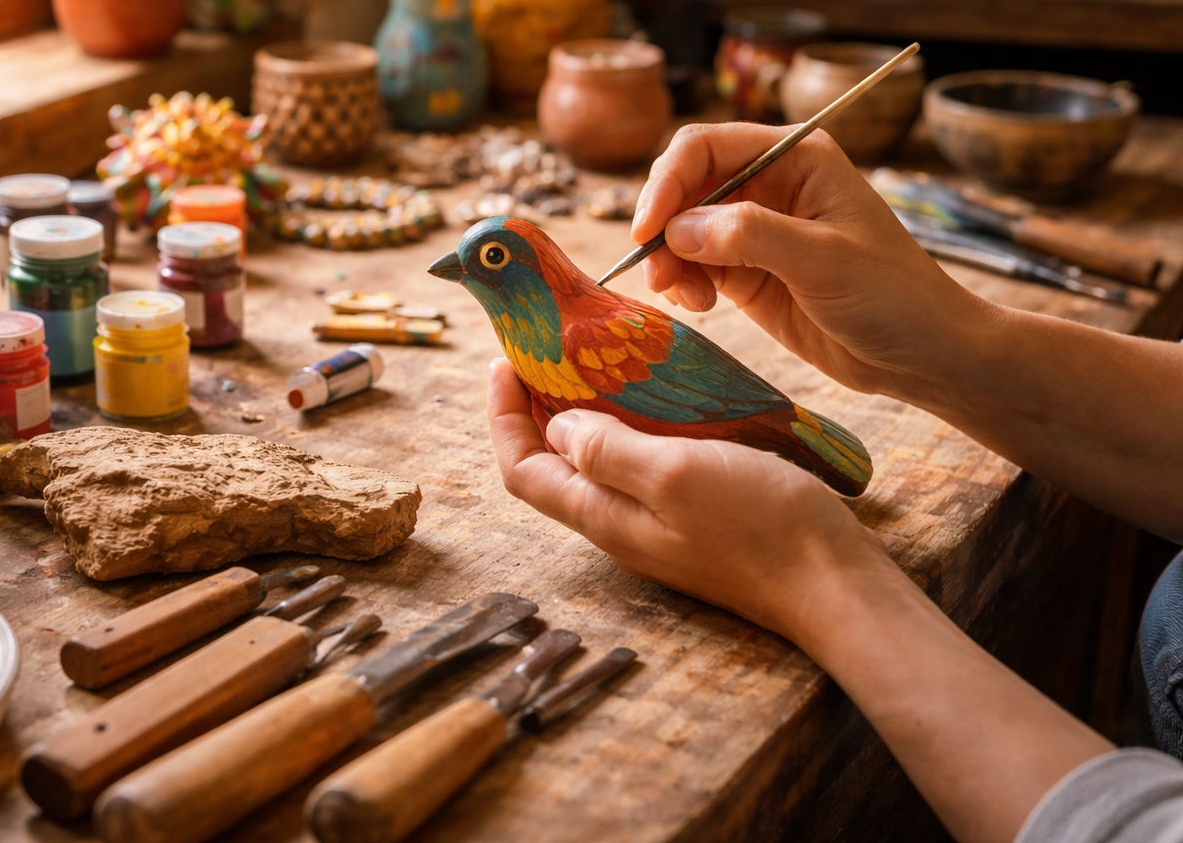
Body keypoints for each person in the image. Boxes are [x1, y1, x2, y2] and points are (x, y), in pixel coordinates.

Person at [486, 121, 1183, 843]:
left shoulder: (580, 341)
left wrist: (812, 574)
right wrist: (948, 344)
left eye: (493, 258)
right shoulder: (546, 337)